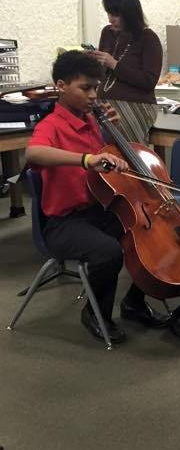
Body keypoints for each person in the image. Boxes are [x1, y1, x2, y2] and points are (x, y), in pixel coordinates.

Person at [26, 51, 169, 344]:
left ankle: (134, 303)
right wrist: (86, 159)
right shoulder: (51, 126)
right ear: (61, 86)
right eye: (85, 88)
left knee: (153, 235)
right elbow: (34, 153)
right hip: (64, 223)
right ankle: (95, 313)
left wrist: (111, 133)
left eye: (96, 88)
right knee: (108, 252)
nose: (93, 95)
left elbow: (109, 164)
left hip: (98, 210)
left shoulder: (93, 121)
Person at [89, 0, 162, 143]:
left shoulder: (148, 38)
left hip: (136, 104)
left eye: (115, 14)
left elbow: (149, 81)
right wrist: (93, 61)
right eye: (109, 13)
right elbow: (102, 76)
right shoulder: (107, 33)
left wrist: (114, 64)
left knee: (121, 149)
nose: (111, 19)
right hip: (104, 101)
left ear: (129, 13)